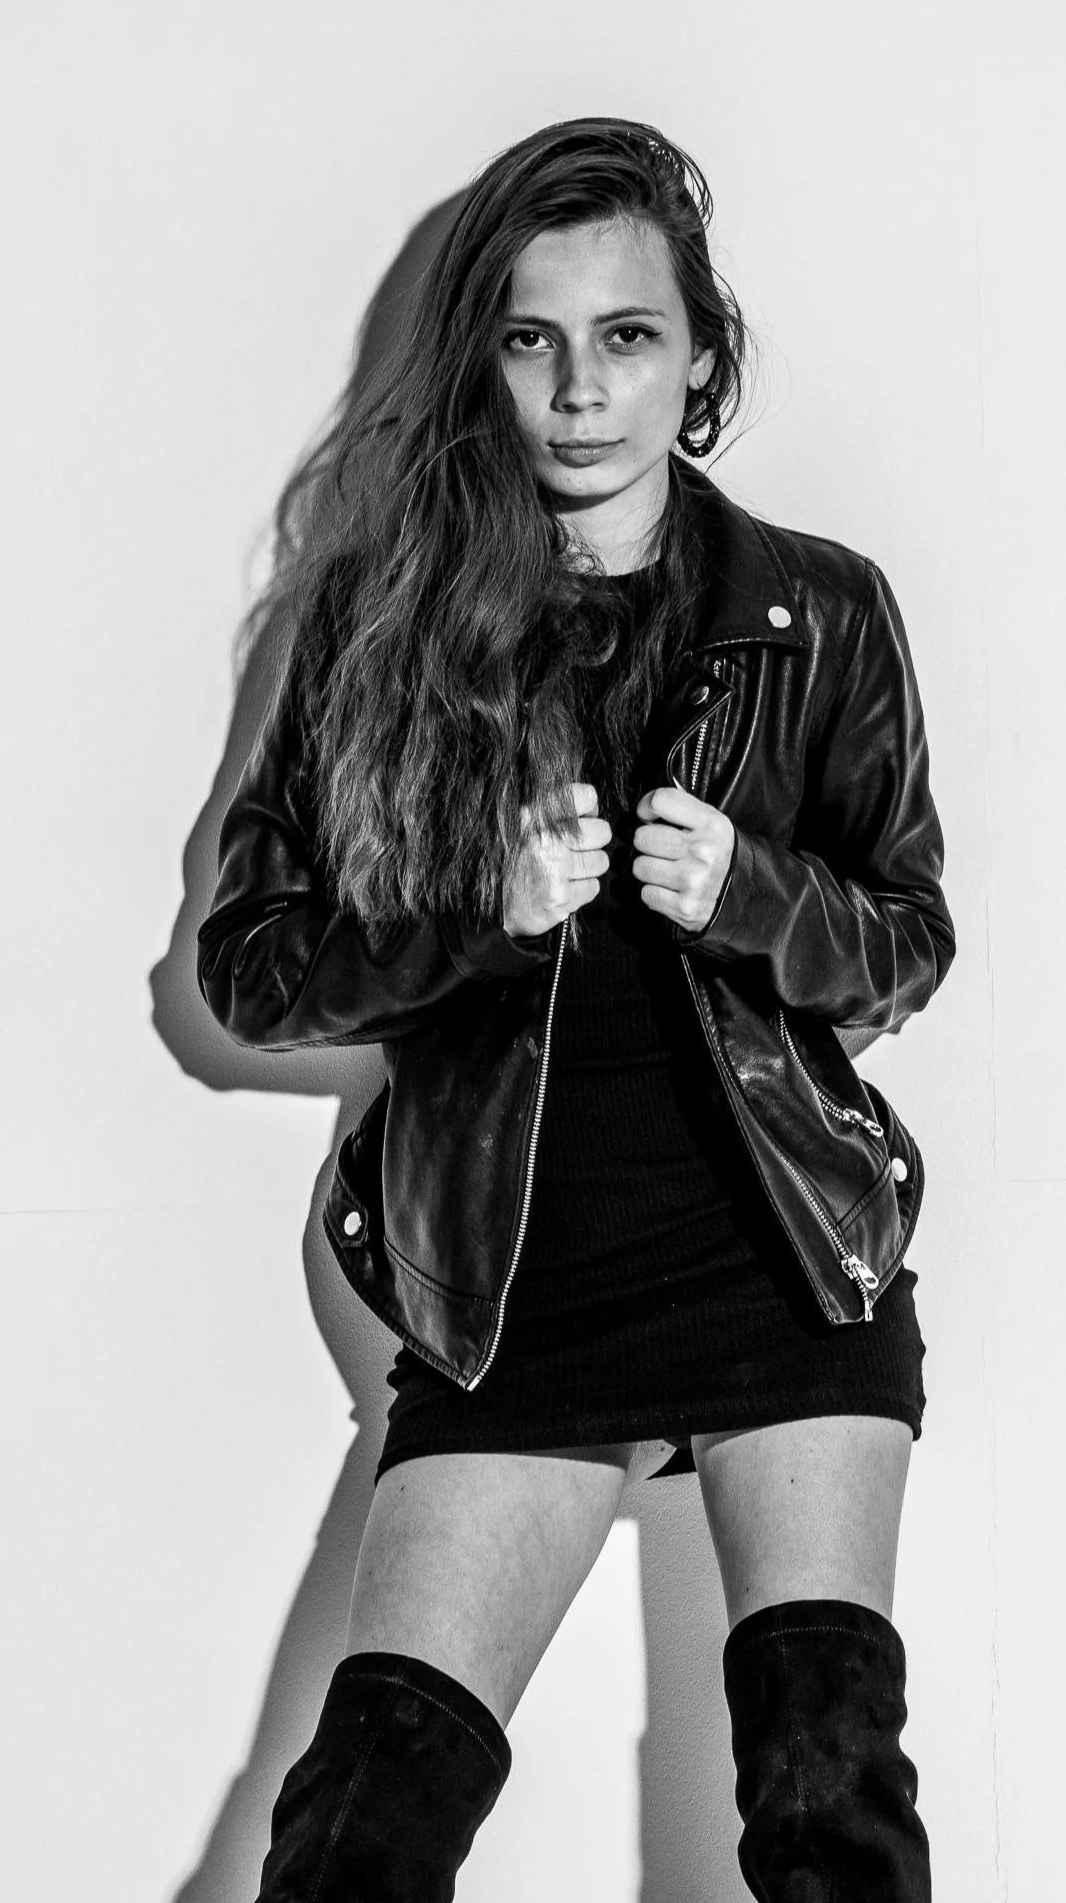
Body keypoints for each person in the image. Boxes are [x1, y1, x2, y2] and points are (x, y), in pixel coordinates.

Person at [197, 117, 954, 1902]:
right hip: (513, 1297)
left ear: (699, 355)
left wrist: (754, 895)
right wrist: (472, 920)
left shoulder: (822, 611)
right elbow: (250, 967)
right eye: (532, 340)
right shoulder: (378, 627)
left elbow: (909, 941)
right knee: (360, 1833)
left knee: (830, 1802)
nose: (580, 389)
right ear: (486, 361)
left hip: (787, 1269)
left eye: (627, 336)